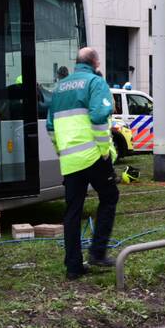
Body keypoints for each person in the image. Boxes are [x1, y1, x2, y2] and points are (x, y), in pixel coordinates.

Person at [46, 48, 119, 280]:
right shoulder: (96, 83)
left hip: (70, 160)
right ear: (96, 62)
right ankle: (98, 252)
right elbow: (99, 117)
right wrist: (104, 150)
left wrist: (61, 151)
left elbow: (50, 127)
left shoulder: (59, 88)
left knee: (72, 211)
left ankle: (73, 266)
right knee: (109, 197)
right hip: (93, 156)